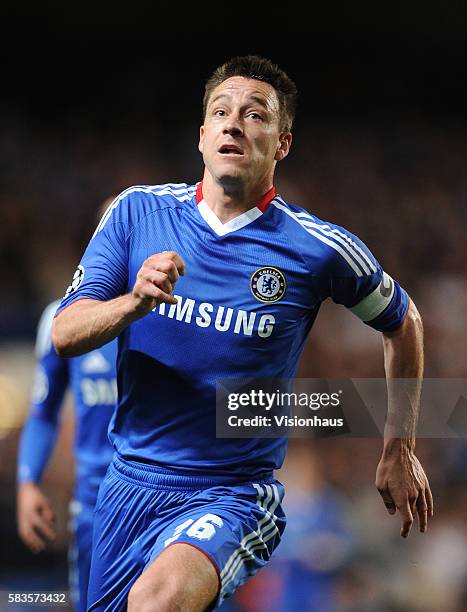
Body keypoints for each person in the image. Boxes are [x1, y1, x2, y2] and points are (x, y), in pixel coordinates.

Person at [52, 55, 433, 611]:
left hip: (232, 494)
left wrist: (398, 448)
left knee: (156, 604)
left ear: (282, 144)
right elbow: (65, 333)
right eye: (221, 112)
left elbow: (405, 323)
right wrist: (133, 301)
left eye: (255, 115)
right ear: (202, 136)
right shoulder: (136, 213)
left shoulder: (318, 248)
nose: (234, 123)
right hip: (127, 486)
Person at [17, 300, 117, 611]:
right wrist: (28, 481)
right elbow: (44, 411)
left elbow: (237, 388)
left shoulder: (190, 310)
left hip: (169, 500)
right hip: (94, 506)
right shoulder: (61, 316)